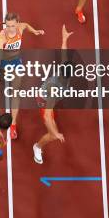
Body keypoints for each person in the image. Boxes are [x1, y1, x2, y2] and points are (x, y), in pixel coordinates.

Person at [0, 12, 44, 139]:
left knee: (16, 93)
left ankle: (13, 124)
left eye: (13, 25)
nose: (10, 28)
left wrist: (35, 31)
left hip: (16, 63)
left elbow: (26, 25)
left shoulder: (20, 27)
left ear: (17, 23)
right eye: (8, 25)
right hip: (4, 62)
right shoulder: (2, 36)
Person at [32, 24, 73, 164]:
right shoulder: (53, 90)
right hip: (44, 101)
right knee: (52, 135)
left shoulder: (64, 68)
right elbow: (48, 115)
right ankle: (37, 147)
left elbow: (64, 51)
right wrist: (56, 133)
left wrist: (64, 38)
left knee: (54, 132)